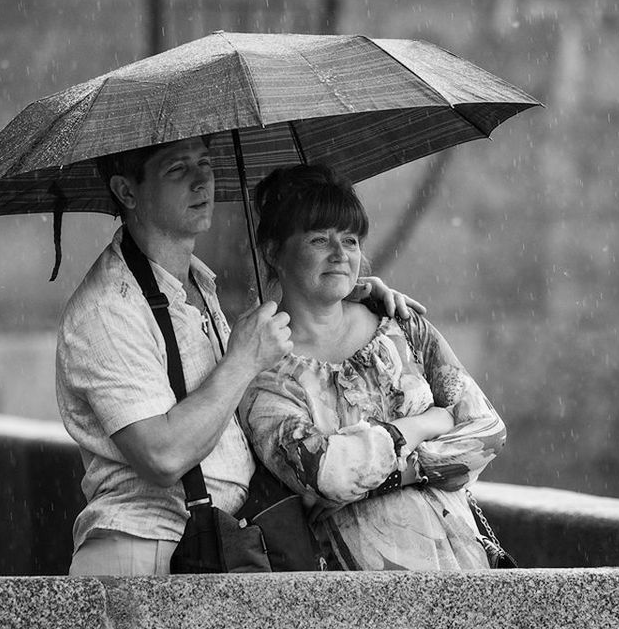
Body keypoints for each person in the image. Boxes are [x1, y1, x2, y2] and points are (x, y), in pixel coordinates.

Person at [56, 135, 420, 576]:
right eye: (177, 169)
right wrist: (243, 361)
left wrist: (346, 294)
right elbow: (162, 457)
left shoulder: (193, 285)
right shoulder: (109, 310)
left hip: (215, 539)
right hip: (146, 554)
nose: (201, 180)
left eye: (205, 163)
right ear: (127, 191)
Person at [241, 162, 506, 571]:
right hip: (358, 582)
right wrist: (422, 426)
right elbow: (326, 473)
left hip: (462, 563)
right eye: (318, 239)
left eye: (349, 240)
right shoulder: (266, 371)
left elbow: (487, 432)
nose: (339, 254)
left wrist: (383, 471)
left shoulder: (402, 324)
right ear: (274, 252)